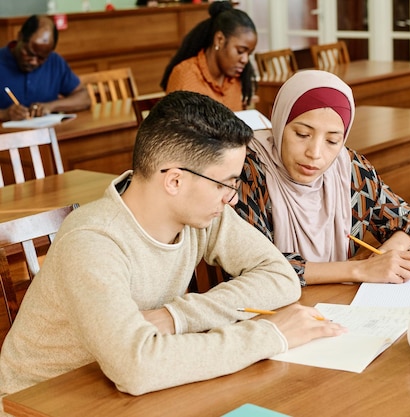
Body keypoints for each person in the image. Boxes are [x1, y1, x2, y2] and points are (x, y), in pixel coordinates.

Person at [0, 91, 345, 403]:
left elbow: (279, 276)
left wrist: (177, 317)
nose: (232, 197)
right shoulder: (92, 241)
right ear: (175, 180)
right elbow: (137, 367)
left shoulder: (204, 214)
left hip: (124, 392)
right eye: (226, 184)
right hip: (42, 402)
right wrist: (270, 334)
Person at [235, 70, 410, 286]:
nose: (315, 153)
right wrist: (360, 270)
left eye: (333, 140)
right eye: (302, 134)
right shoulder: (247, 169)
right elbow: (259, 265)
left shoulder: (349, 169)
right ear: (280, 123)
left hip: (339, 304)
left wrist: (387, 254)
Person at [160, 1, 257, 111]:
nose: (245, 60)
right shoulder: (186, 76)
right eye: (240, 51)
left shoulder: (235, 79)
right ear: (219, 40)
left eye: (249, 54)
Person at [0, 15, 90, 122]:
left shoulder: (55, 62)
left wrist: (50, 106)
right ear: (20, 37)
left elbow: (84, 98)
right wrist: (3, 114)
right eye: (29, 53)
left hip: (50, 135)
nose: (33, 62)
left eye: (41, 58)